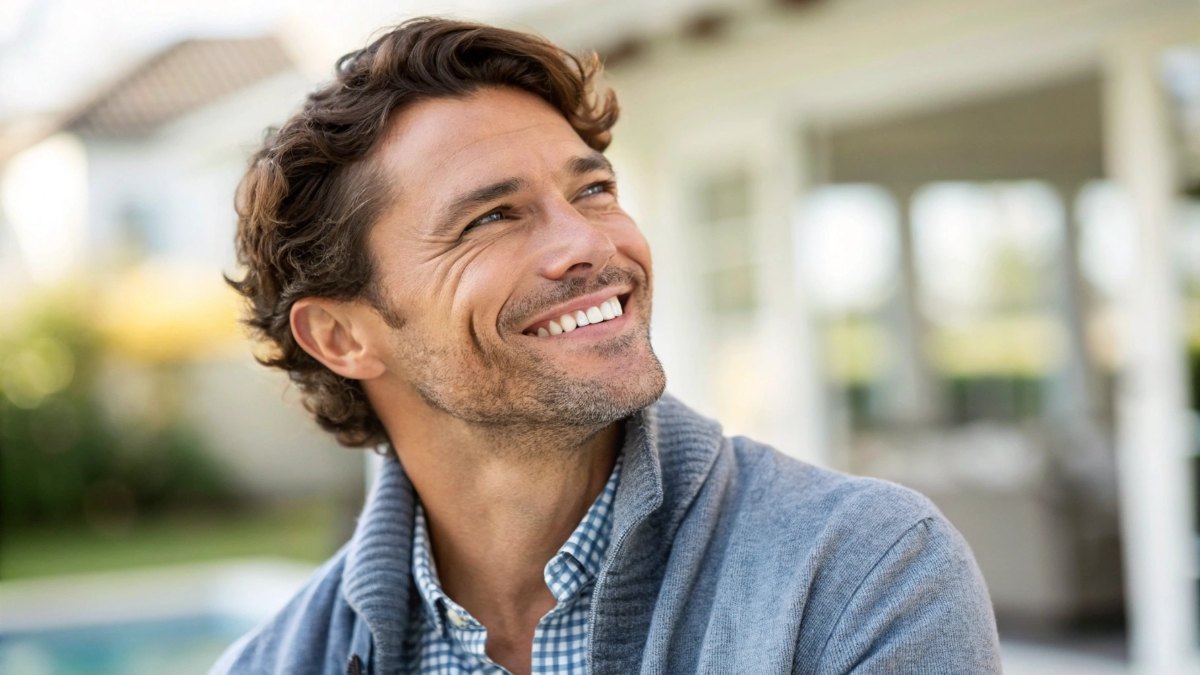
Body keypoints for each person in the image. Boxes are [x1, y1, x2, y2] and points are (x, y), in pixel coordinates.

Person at [212, 17, 1001, 675]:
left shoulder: (860, 574)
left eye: (593, 190)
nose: (588, 242)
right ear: (343, 336)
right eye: (492, 217)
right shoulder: (273, 662)